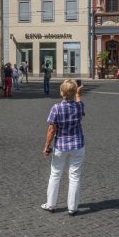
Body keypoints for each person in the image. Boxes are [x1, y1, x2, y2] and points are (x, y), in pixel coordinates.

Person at [40, 80, 86, 216]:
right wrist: (78, 94)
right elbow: (79, 105)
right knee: (75, 176)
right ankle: (72, 207)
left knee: (55, 175)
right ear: (74, 92)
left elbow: (51, 129)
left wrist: (46, 147)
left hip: (60, 145)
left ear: (62, 93)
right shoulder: (79, 106)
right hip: (78, 145)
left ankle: (51, 204)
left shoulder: (56, 108)